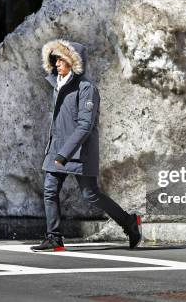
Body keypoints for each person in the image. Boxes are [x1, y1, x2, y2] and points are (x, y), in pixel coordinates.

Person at [31, 39, 141, 252]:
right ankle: (54, 237)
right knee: (49, 190)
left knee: (90, 194)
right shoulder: (57, 85)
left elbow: (85, 126)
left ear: (73, 61)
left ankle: (129, 222)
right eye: (55, 59)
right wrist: (55, 149)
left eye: (61, 59)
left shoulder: (86, 88)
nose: (57, 64)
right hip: (57, 149)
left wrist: (64, 153)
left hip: (79, 152)